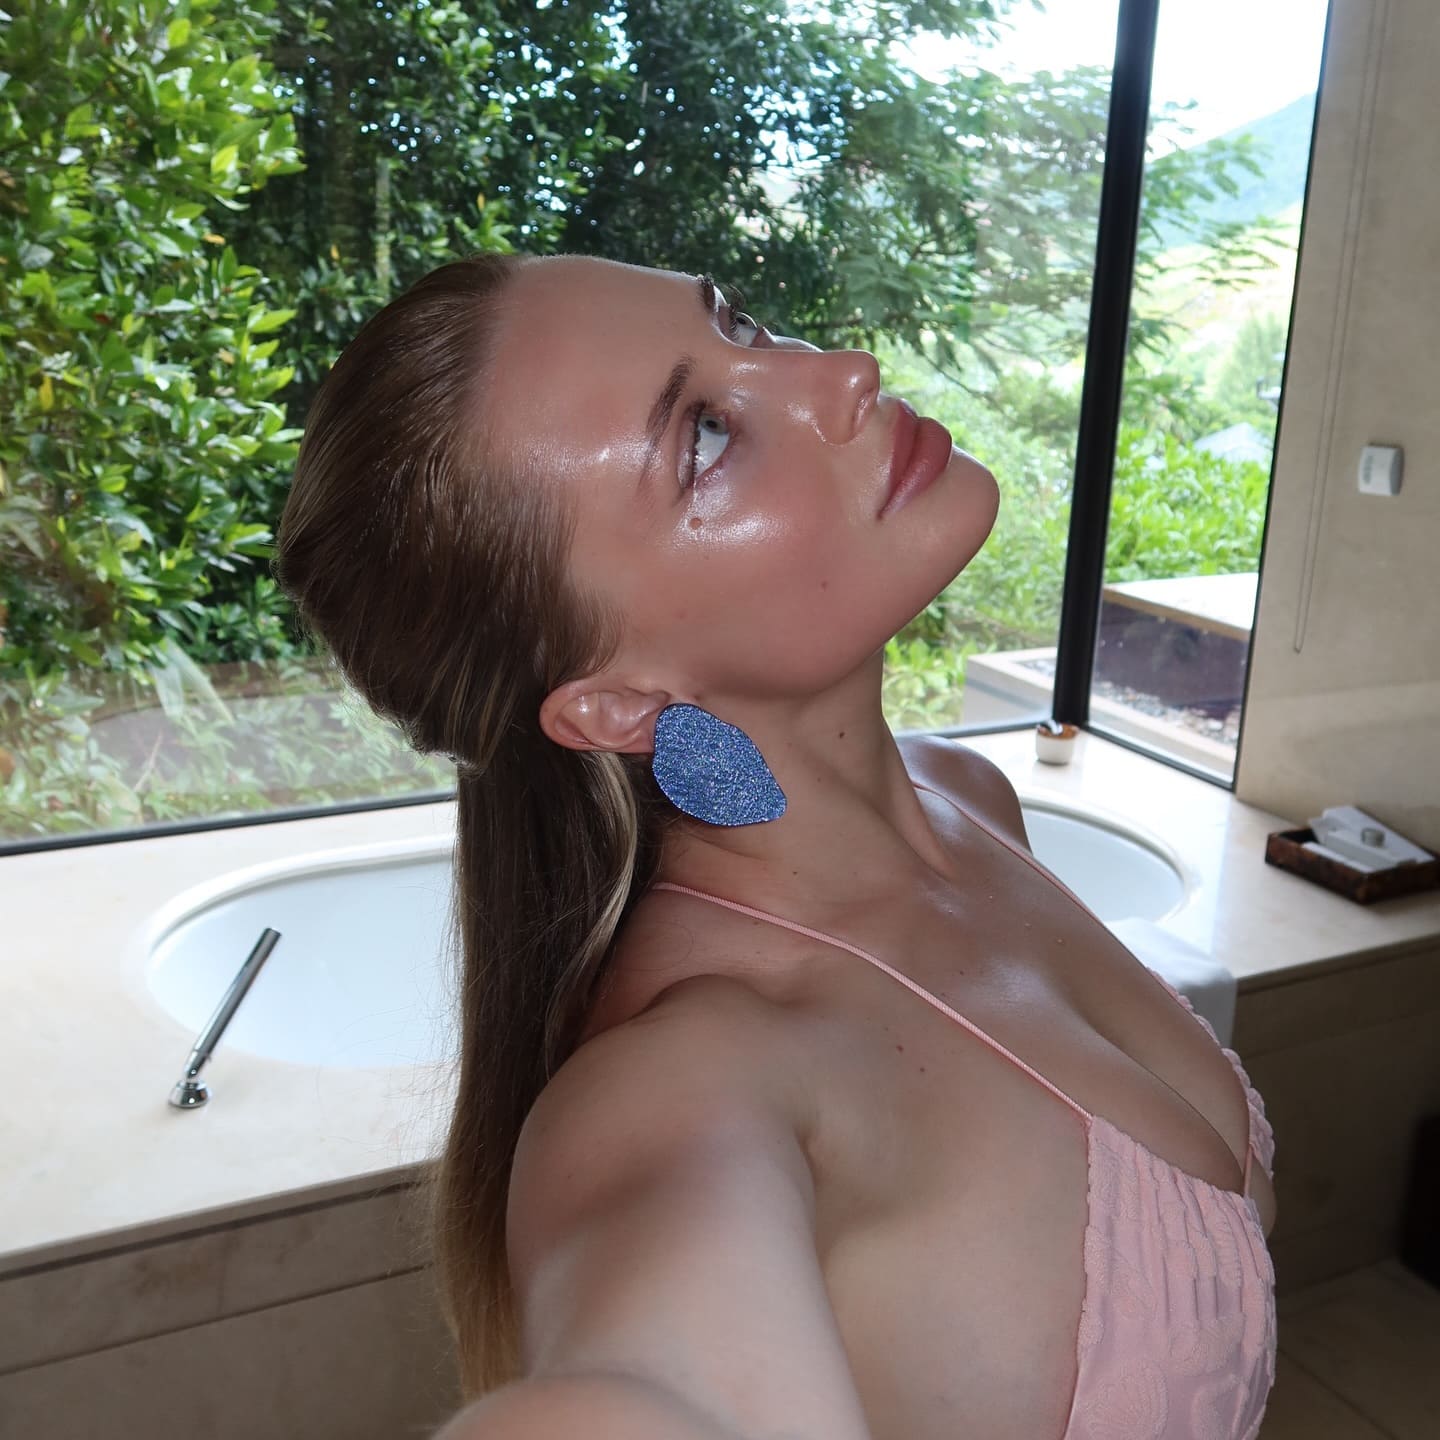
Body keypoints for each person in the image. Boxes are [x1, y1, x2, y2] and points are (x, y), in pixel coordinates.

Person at [274, 251, 1278, 1440]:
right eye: (703, 437)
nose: (843, 372)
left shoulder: (969, 798)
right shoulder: (688, 1077)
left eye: (741, 323)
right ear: (618, 701)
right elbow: (651, 1379)